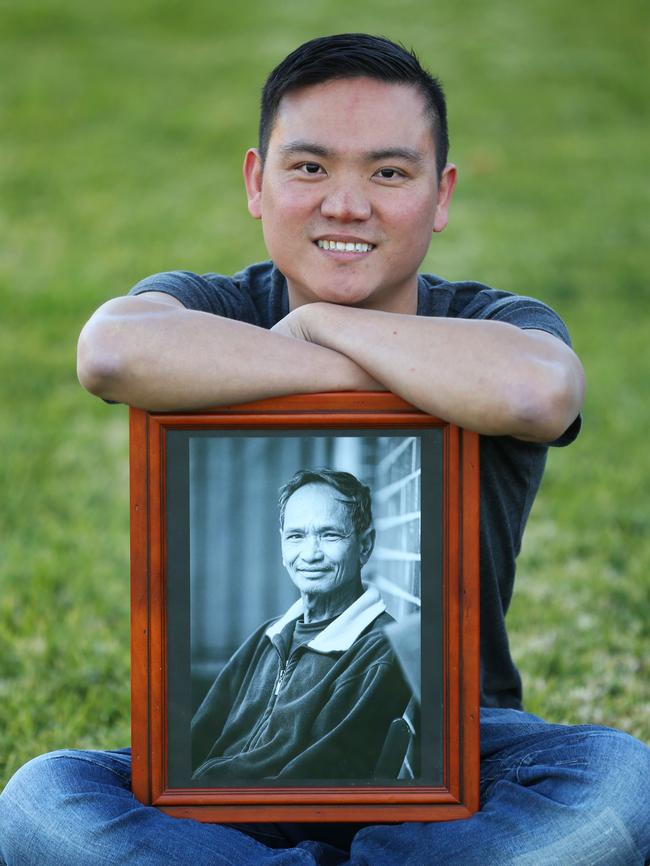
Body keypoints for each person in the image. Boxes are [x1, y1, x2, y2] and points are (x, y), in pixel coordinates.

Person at [1, 31, 648, 866]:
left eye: (389, 172)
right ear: (255, 182)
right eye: (310, 168)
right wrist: (353, 347)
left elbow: (538, 392)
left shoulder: (491, 322)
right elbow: (112, 353)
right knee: (41, 804)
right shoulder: (212, 304)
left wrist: (319, 320)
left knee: (621, 785)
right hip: (226, 789)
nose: (347, 205)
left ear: (441, 193)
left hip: (460, 752)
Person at [191, 468, 411, 782]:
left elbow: (315, 778)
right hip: (199, 798)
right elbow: (196, 739)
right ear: (282, 544)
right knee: (98, 770)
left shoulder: (379, 649)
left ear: (365, 545)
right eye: (296, 536)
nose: (309, 554)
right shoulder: (270, 636)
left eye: (329, 535)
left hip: (252, 820)